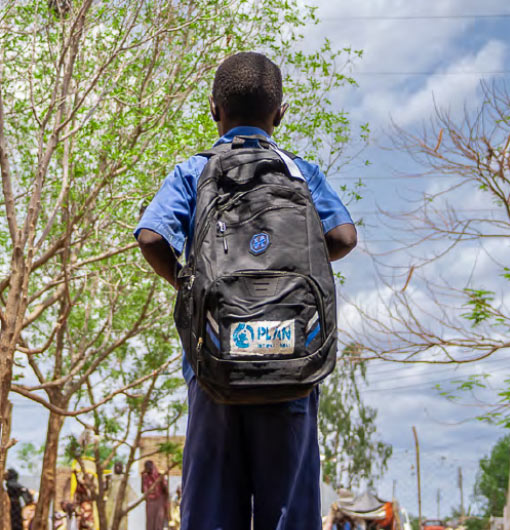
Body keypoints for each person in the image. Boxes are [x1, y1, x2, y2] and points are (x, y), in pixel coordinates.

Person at [135, 51, 357, 529]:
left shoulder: (193, 172)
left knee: (211, 506)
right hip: (291, 360)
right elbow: (343, 238)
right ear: (280, 113)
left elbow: (151, 238)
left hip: (215, 363)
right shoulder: (301, 172)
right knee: (289, 509)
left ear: (214, 108)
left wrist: (187, 284)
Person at [141, 460, 168, 530]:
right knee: (150, 522)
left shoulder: (159, 475)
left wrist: (161, 480)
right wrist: (142, 478)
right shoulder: (145, 477)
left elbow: (165, 491)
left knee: (159, 521)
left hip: (159, 501)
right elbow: (143, 490)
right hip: (150, 502)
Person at [105, 462, 131, 530]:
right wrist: (107, 481)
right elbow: (106, 492)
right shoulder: (111, 479)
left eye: (120, 466)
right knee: (110, 523)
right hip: (111, 504)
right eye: (116, 466)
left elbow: (127, 493)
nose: (118, 468)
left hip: (122, 504)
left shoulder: (124, 479)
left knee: (122, 524)